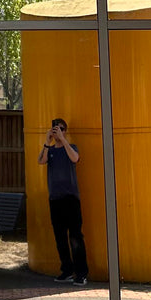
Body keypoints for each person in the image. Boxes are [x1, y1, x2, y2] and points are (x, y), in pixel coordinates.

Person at [38, 118, 88, 284]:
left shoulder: (71, 147)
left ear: (65, 131)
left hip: (71, 198)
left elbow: (75, 158)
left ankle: (81, 274)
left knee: (75, 236)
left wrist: (63, 140)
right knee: (60, 237)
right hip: (55, 199)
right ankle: (66, 270)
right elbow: (41, 161)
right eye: (55, 128)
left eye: (61, 129)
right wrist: (47, 141)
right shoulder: (50, 150)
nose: (57, 131)